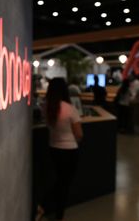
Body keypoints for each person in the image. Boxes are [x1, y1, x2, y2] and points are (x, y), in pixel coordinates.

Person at [41, 78, 83, 221]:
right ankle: (53, 212)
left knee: (60, 181)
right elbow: (79, 134)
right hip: (69, 151)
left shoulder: (46, 106)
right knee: (64, 184)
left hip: (53, 148)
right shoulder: (70, 109)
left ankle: (46, 207)